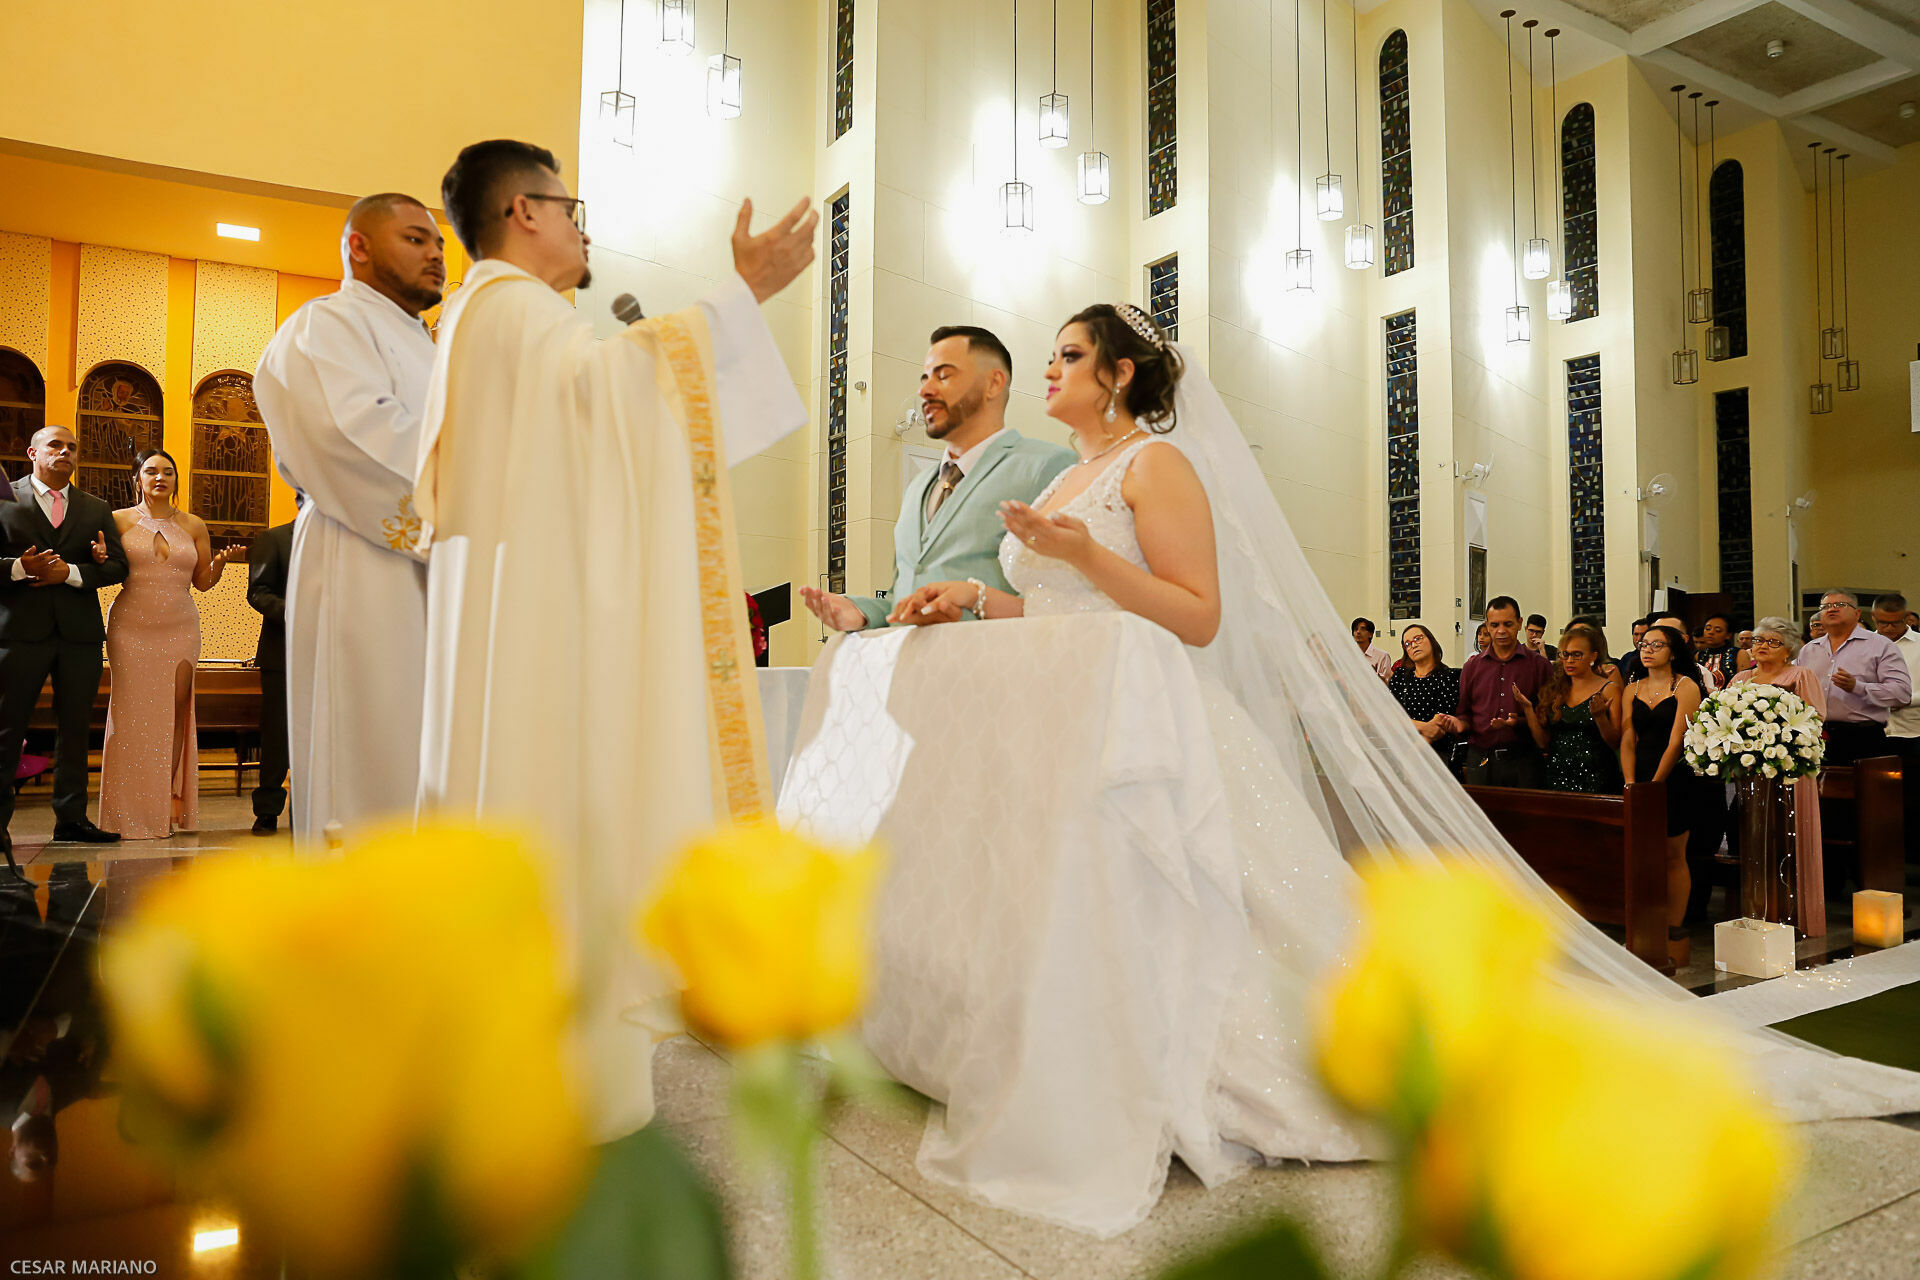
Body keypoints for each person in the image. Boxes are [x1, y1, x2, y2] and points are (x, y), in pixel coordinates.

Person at [781, 306, 1920, 1233]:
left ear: (1120, 376)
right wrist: (983, 594)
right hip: (1077, 720)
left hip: (1152, 722)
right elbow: (1061, 606)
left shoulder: (1155, 463)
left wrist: (1082, 559)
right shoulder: (1074, 481)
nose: (1052, 371)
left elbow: (1194, 612)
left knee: (1231, 918)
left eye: (1070, 357)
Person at [415, 139, 814, 1141]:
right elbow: (614, 398)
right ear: (525, 213)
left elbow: (593, 413)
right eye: (571, 204)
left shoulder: (492, 315)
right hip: (540, 630)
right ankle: (565, 1062)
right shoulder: (510, 309)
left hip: (518, 613)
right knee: (562, 802)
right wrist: (738, 295)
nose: (583, 224)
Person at [254, 192, 443, 848]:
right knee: (370, 750)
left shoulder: (428, 346)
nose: (436, 254)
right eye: (416, 239)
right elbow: (346, 434)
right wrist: (472, 516)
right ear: (358, 245)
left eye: (440, 244)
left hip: (442, 567)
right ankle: (360, 929)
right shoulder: (326, 325)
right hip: (366, 557)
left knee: (427, 749)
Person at [799, 327, 1072, 634]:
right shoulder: (919, 487)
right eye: (924, 378)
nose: (925, 391)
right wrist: (861, 613)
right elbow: (901, 597)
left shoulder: (1046, 467)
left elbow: (1064, 601)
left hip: (998, 668)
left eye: (942, 376)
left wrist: (964, 611)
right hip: (915, 670)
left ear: (993, 383)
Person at [0, 426, 128, 869]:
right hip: (17, 634)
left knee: (74, 731)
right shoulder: (4, 497)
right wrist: (19, 567)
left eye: (72, 447)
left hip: (78, 636)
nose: (65, 452)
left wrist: (71, 573)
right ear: (33, 451)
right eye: (56, 445)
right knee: (6, 729)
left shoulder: (95, 507)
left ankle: (71, 819)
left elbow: (117, 565)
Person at [97, 450, 238, 839]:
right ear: (137, 478)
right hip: (130, 628)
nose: (160, 477)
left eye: (168, 472)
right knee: (129, 717)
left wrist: (221, 565)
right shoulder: (116, 520)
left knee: (176, 713)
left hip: (180, 627)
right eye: (151, 471)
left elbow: (202, 582)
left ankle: (167, 804)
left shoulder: (193, 525)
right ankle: (126, 812)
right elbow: (106, 569)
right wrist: (98, 556)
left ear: (177, 480)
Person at [1728, 618, 1827, 937]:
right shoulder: (1740, 679)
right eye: (1757, 640)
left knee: (1786, 837)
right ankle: (1755, 912)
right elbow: (1723, 718)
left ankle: (1793, 916)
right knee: (1755, 836)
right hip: (1749, 772)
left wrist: (1777, 740)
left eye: (1771, 641)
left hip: (1790, 771)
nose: (1760, 646)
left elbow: (1814, 721)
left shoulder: (1800, 676)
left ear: (1789, 649)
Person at [1620, 624, 1704, 965]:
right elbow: (1628, 736)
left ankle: (1673, 926)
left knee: (1672, 852)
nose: (1648, 649)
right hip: (1638, 775)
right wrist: (1630, 781)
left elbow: (1678, 740)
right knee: (1639, 852)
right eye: (1644, 644)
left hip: (1674, 776)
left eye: (1657, 644)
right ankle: (1644, 923)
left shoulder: (1685, 686)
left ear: (1673, 651)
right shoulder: (1632, 688)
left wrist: (1656, 784)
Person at [1442, 596, 1552, 788]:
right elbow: (1465, 712)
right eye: (1494, 625)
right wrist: (1458, 724)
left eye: (1508, 624)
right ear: (1487, 625)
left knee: (1525, 817)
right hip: (1481, 758)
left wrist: (1519, 721)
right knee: (1482, 816)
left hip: (1523, 758)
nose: (1501, 631)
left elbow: (1548, 716)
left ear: (1520, 624)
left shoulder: (1539, 665)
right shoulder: (1472, 667)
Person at [1795, 590, 1912, 766]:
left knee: (1867, 792)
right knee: (1821, 793)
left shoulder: (1880, 646)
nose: (1832, 609)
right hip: (1816, 738)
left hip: (1863, 738)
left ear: (1857, 613)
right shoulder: (1809, 650)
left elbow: (1902, 694)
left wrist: (1858, 687)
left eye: (1840, 605)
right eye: (1826, 606)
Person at [1518, 623, 1621, 794]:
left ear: (1593, 656)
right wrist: (1528, 710)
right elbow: (1544, 742)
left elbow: (1615, 742)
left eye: (1577, 655)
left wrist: (1600, 718)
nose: (1569, 661)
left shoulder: (1609, 689)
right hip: (1556, 776)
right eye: (1565, 655)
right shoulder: (1556, 689)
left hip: (1597, 777)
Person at [246, 518, 295, 835]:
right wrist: (295, 611)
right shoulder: (275, 538)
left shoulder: (343, 540)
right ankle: (267, 810)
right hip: (282, 650)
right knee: (277, 734)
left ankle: (314, 806)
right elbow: (258, 592)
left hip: (334, 651)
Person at [1386, 623, 1459, 769]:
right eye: (1407, 643)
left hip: (1438, 755)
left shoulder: (1451, 676)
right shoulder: (1400, 677)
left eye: (1418, 639)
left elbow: (1440, 725)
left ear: (1431, 641)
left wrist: (1414, 753)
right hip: (1403, 751)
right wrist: (1424, 727)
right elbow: (1390, 716)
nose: (1413, 645)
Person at [1697, 613, 1740, 687]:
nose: (1710, 632)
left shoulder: (1738, 654)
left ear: (1728, 635)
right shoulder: (1699, 655)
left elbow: (1744, 684)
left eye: (1718, 630)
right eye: (1707, 629)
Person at [1353, 616, 1395, 680]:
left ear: (1371, 634)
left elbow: (1386, 682)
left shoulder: (1382, 656)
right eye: (1356, 629)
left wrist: (1373, 673)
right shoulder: (1350, 654)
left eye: (1363, 629)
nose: (1358, 632)